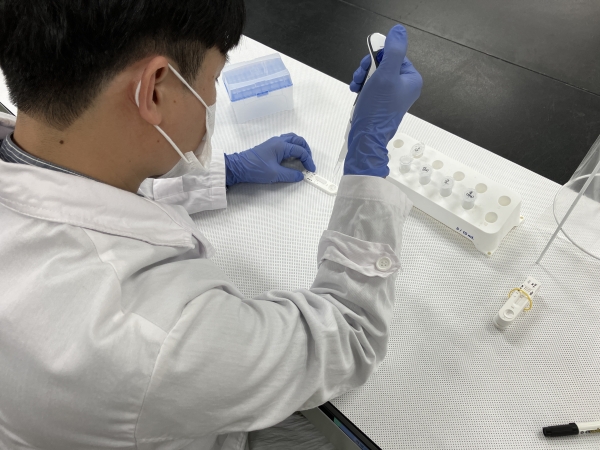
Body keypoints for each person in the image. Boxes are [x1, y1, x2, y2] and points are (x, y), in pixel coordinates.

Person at [0, 0, 422, 448]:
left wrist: (227, 172)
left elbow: (90, 194)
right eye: (214, 79)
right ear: (155, 89)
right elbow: (348, 336)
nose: (213, 97)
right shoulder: (152, 334)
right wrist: (366, 154)